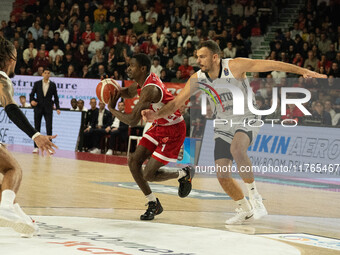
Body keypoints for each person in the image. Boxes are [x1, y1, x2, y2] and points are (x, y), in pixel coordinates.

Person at [142, 40, 327, 224]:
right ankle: (244, 208)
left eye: (202, 56)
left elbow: (271, 64)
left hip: (248, 116)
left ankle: (255, 197)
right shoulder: (198, 78)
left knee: (237, 149)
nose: (198, 60)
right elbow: (175, 103)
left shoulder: (235, 66)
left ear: (215, 57)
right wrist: (155, 115)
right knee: (222, 175)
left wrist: (303, 71)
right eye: (197, 56)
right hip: (224, 123)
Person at [107, 54, 194, 220]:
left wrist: (112, 110)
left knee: (148, 174)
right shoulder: (142, 82)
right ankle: (153, 203)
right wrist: (112, 89)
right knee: (133, 161)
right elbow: (127, 92)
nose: (128, 68)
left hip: (174, 130)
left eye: (132, 65)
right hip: (158, 126)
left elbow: (132, 120)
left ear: (142, 69)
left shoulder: (150, 90)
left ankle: (183, 173)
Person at [0, 37, 58, 236]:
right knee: (13, 169)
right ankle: (7, 209)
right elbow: (10, 107)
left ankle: (18, 215)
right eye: (16, 58)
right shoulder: (2, 79)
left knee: (5, 187)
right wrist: (36, 135)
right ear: (9, 58)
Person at [29, 68, 61, 154]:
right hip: (38, 108)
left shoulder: (53, 85)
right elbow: (31, 94)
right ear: (42, 74)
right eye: (45, 73)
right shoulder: (37, 84)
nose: (47, 74)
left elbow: (56, 97)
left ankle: (49, 147)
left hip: (48, 109)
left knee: (49, 127)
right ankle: (36, 147)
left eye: (48, 73)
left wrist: (57, 107)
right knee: (36, 128)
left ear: (50, 75)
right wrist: (32, 101)